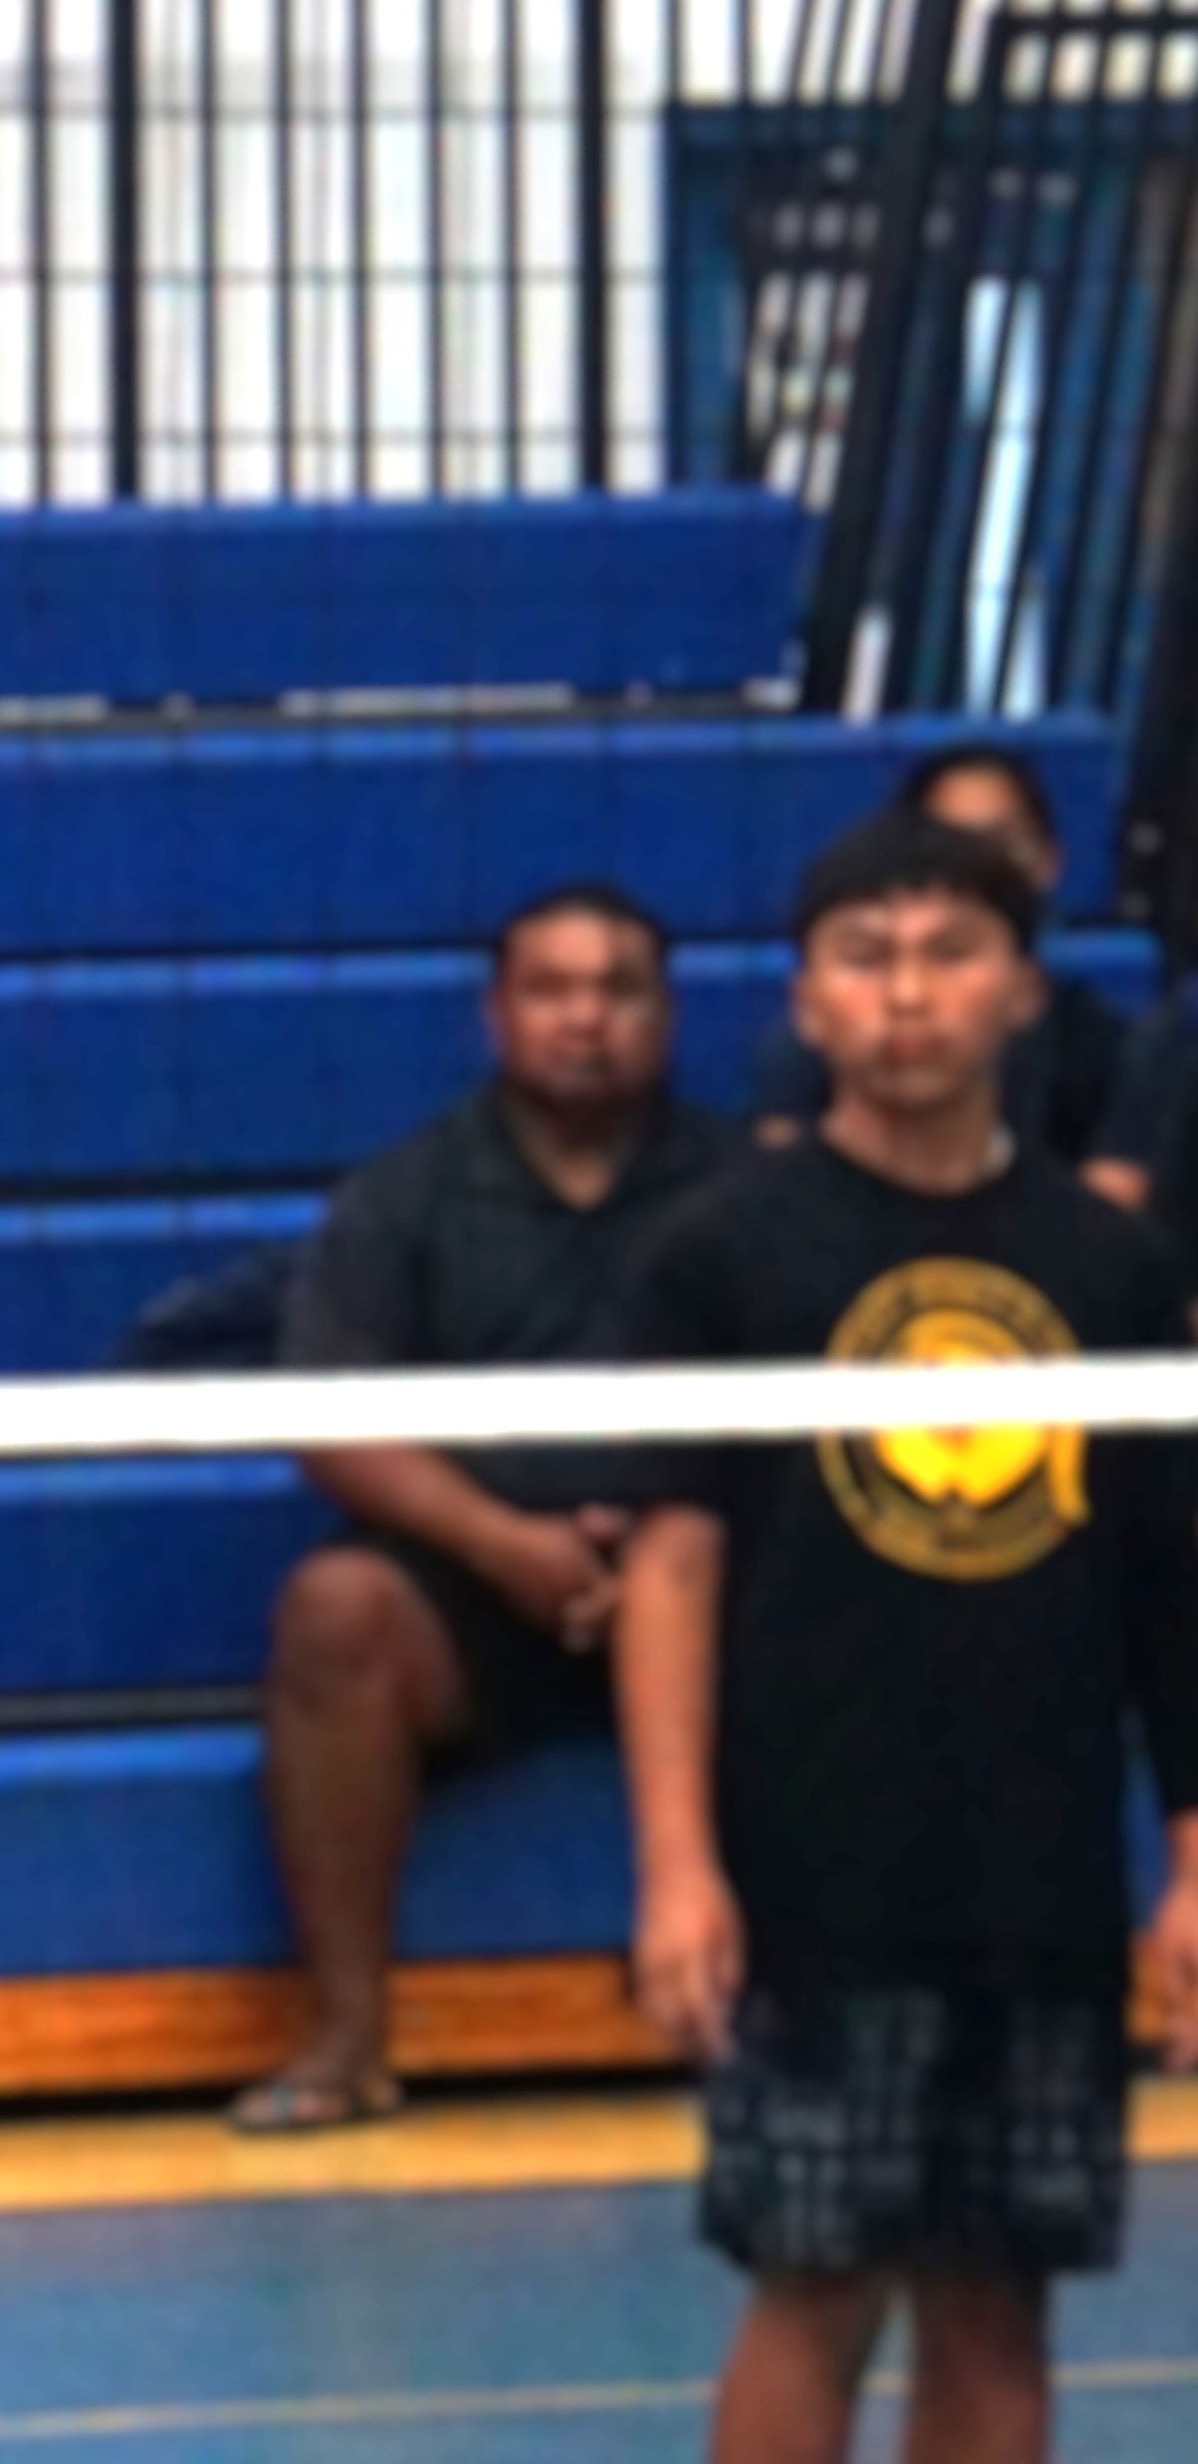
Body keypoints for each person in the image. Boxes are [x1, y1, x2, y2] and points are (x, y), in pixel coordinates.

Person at [620, 807, 1198, 2464]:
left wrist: (1193, 1852)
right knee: (816, 2278)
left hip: (1038, 1877)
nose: (909, 997)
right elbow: (670, 1563)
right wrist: (676, 1863)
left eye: (952, 955)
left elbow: (1171, 1580)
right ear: (805, 1003)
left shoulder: (1112, 1269)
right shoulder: (723, 1255)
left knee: (999, 2297)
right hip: (818, 1868)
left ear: (1025, 990)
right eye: (866, 961)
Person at [234, 883, 732, 2134]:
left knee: (840, 1589)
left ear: (665, 1013)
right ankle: (348, 2040)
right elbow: (329, 1421)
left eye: (616, 990)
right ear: (496, 1013)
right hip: (484, 1593)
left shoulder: (747, 1187)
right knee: (335, 1609)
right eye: (552, 991)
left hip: (712, 1582)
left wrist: (681, 1534)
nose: (585, 1020)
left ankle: (793, 2018)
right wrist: (504, 1545)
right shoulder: (404, 1195)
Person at [747, 748, 1125, 1166]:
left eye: (1004, 843)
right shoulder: (826, 1041)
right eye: (953, 843)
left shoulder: (1101, 1040)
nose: (909, 996)